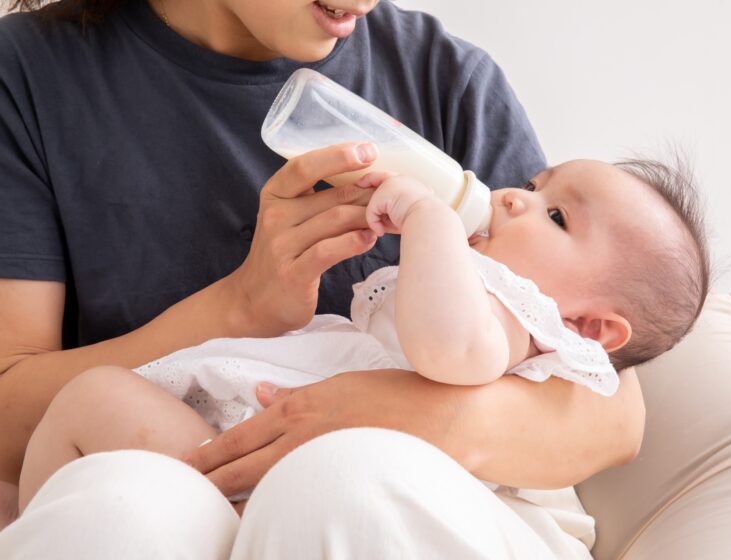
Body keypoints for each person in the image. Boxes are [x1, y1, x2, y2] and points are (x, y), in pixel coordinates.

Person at [0, 0, 649, 557]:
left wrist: (395, 414)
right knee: (122, 509)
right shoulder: (31, 77)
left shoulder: (441, 77)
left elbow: (611, 409)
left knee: (335, 483)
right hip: (199, 472)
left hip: (386, 500)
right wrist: (240, 306)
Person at [18, 157, 709, 552]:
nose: (510, 199)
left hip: (348, 488)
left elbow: (453, 350)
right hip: (251, 441)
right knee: (94, 396)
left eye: (555, 215)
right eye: (533, 186)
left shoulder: (526, 326)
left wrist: (431, 221)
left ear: (590, 327)